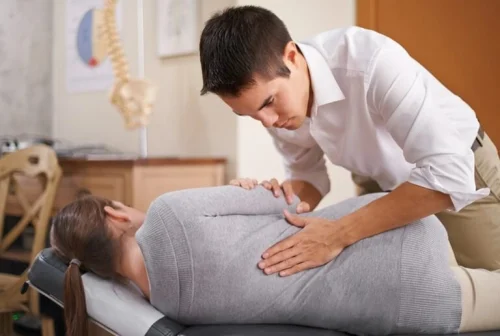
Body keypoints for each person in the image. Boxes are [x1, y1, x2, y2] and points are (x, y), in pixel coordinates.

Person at [198, 5, 500, 277]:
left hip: (461, 173)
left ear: (291, 57)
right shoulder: (274, 112)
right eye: (249, 114)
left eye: (269, 103)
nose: (269, 122)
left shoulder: (370, 61)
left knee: (490, 293)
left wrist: (338, 233)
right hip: (380, 184)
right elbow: (309, 179)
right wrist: (265, 200)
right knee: (408, 301)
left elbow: (448, 174)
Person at [50, 185, 500, 336]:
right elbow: (289, 202)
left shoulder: (168, 305)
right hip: (400, 241)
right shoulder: (169, 213)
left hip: (404, 309)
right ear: (114, 213)